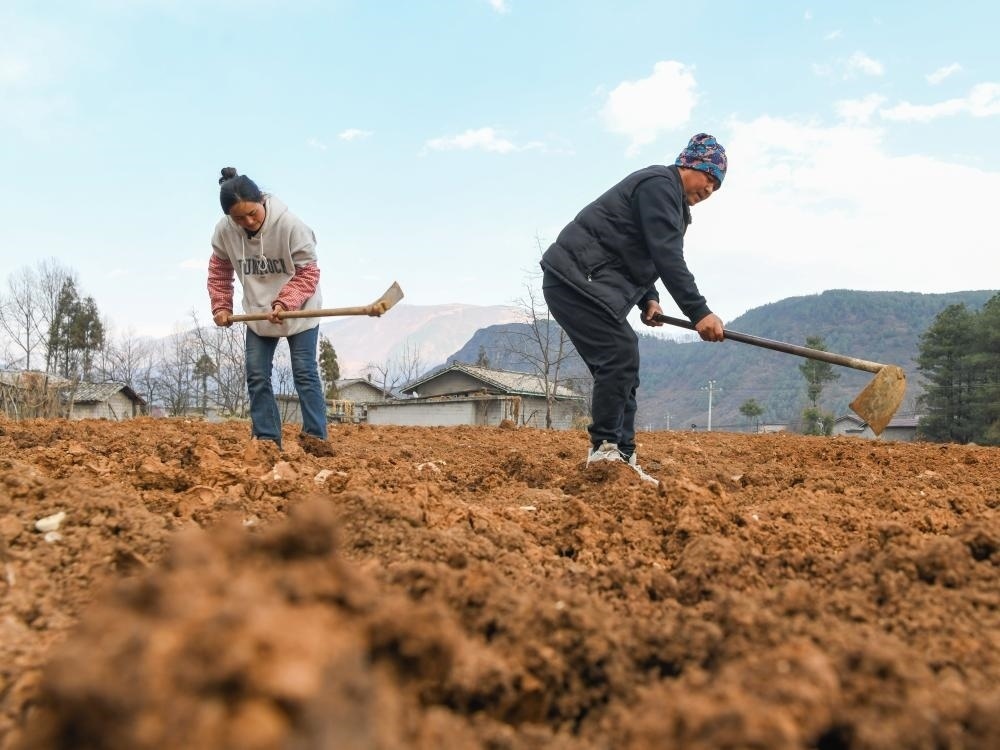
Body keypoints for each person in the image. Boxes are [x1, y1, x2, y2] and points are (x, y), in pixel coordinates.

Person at [539, 133, 727, 482]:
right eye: (709, 177)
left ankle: (622, 455)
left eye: (717, 186)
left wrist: (648, 298)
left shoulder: (669, 199)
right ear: (689, 164)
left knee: (624, 365)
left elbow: (640, 252)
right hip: (574, 278)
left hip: (584, 281)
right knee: (620, 353)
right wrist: (699, 311)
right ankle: (605, 450)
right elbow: (667, 256)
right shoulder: (659, 186)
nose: (710, 189)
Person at [207, 167, 328, 450]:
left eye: (253, 213)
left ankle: (315, 440)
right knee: (257, 374)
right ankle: (266, 439)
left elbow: (308, 273)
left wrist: (285, 302)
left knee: (304, 372)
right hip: (258, 311)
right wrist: (221, 306)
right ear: (229, 217)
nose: (248, 222)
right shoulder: (224, 232)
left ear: (261, 200)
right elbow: (219, 271)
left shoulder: (291, 226)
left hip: (300, 311)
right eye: (239, 218)